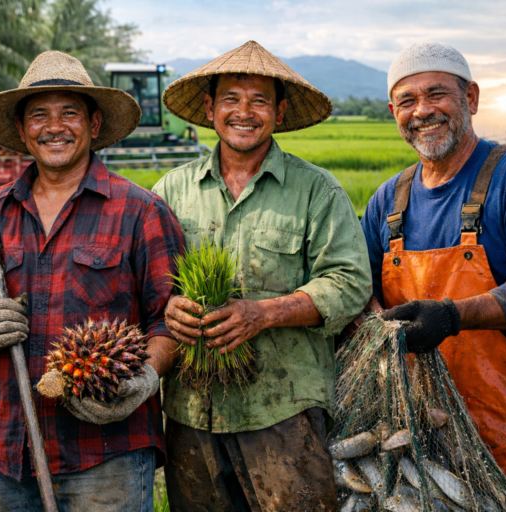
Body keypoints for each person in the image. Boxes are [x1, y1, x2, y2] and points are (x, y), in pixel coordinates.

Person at [0, 51, 184, 510]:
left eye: (69, 113)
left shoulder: (140, 211)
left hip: (106, 455)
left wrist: (147, 376)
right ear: (21, 130)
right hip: (8, 449)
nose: (55, 127)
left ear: (94, 125)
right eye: (39, 115)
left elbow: (171, 319)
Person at [152, 41, 372, 511]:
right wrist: (166, 306)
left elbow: (349, 281)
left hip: (285, 411)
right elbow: (147, 281)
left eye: (260, 101)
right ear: (210, 109)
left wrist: (263, 313)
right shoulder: (172, 189)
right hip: (192, 410)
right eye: (231, 99)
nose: (244, 112)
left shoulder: (316, 190)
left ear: (280, 111)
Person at [360, 42, 506, 512]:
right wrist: (373, 322)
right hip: (419, 429)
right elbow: (357, 283)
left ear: (471, 98)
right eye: (407, 101)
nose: (422, 111)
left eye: (436, 94)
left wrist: (453, 316)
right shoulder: (387, 200)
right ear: (394, 111)